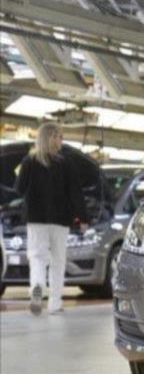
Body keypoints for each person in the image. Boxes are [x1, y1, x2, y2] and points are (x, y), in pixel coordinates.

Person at [14, 122, 88, 315]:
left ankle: (36, 294)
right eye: (59, 136)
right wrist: (83, 217)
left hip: (36, 219)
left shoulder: (28, 161)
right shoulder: (66, 163)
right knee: (58, 261)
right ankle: (55, 303)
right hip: (60, 220)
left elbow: (19, 189)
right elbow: (76, 193)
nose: (61, 140)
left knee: (38, 259)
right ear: (51, 138)